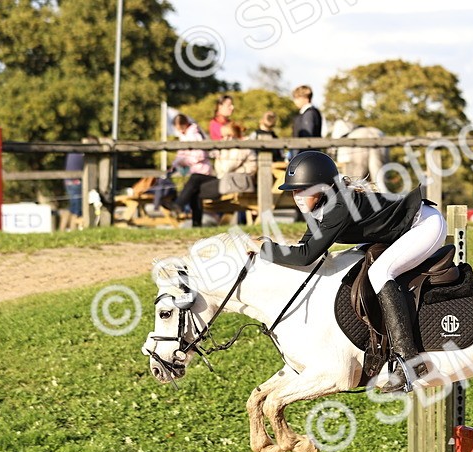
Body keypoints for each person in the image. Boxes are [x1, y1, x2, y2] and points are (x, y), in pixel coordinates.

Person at [268, 151, 446, 392]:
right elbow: (305, 251)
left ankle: (409, 361)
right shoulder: (322, 207)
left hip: (424, 225)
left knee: (379, 273)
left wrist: (264, 249)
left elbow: (306, 255)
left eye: (302, 190)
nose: (296, 197)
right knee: (352, 260)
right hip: (399, 231)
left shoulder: (338, 207)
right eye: (293, 191)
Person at [164, 122, 256, 227]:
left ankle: (185, 213)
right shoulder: (231, 148)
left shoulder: (241, 148)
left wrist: (222, 153)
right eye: (223, 136)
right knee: (195, 178)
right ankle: (180, 207)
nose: (225, 139)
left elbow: (226, 168)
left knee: (195, 189)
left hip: (237, 182)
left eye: (228, 136)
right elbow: (221, 170)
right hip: (227, 179)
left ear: (235, 135)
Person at [168, 114, 213, 225]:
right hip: (195, 169)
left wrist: (184, 161)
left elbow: (200, 155)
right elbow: (182, 153)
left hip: (203, 171)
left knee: (193, 187)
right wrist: (175, 164)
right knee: (195, 196)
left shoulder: (194, 135)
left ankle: (178, 204)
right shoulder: (185, 136)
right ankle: (196, 223)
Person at [290, 85, 322, 156]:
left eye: (297, 98)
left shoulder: (309, 113)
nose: (295, 101)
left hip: (305, 155)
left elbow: (307, 137)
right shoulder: (307, 113)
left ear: (305, 98)